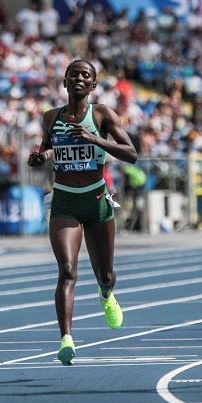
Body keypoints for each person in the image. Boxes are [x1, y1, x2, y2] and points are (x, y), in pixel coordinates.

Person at [27, 59, 138, 365]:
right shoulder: (51, 117)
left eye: (85, 75)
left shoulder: (101, 114)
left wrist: (95, 139)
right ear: (64, 82)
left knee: (106, 274)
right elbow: (49, 147)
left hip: (97, 200)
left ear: (93, 84)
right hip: (65, 201)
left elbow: (131, 153)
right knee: (67, 271)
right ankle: (66, 339)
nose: (78, 78)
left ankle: (106, 295)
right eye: (73, 74)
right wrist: (41, 157)